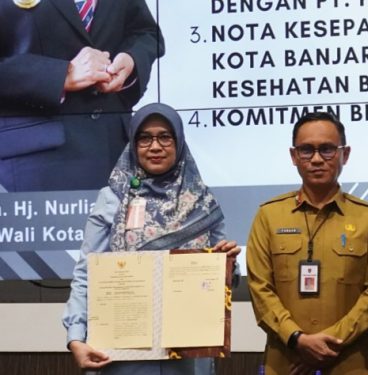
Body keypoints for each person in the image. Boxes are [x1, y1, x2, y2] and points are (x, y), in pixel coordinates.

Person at [62, 103, 240, 375]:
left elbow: (223, 281)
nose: (155, 146)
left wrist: (228, 265)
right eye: (145, 137)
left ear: (179, 142)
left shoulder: (202, 202)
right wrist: (76, 337)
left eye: (165, 137)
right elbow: (87, 274)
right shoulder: (112, 199)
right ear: (133, 144)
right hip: (123, 356)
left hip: (187, 358)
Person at [247, 112, 368, 375]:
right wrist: (297, 338)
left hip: (352, 363)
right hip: (286, 363)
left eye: (326, 149)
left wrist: (328, 344)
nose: (316, 159)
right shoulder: (268, 216)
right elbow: (259, 288)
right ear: (294, 156)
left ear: (344, 154)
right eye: (306, 150)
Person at [0, 0, 163, 192]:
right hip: (34, 161)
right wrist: (61, 75)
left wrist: (131, 59)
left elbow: (145, 32)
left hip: (117, 155)